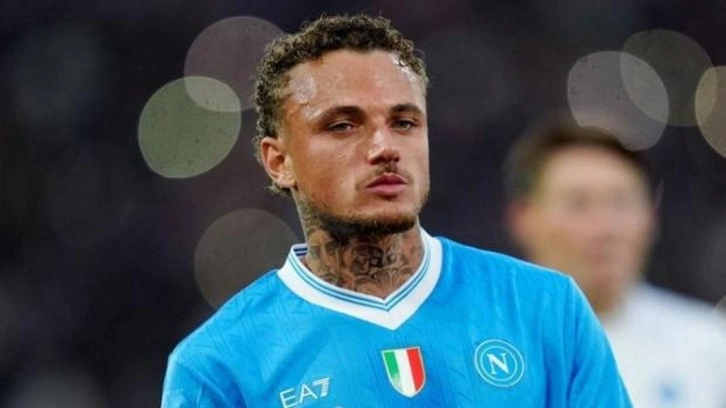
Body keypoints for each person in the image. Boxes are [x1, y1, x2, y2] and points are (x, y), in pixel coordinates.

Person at [161, 15, 631, 407]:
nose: (385, 147)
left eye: (404, 122)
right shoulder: (218, 366)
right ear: (279, 161)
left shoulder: (544, 307)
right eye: (343, 125)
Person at [503, 119, 726, 408]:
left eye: (622, 203)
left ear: (652, 217)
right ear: (523, 218)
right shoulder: (470, 343)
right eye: (578, 204)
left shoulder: (709, 347)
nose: (606, 229)